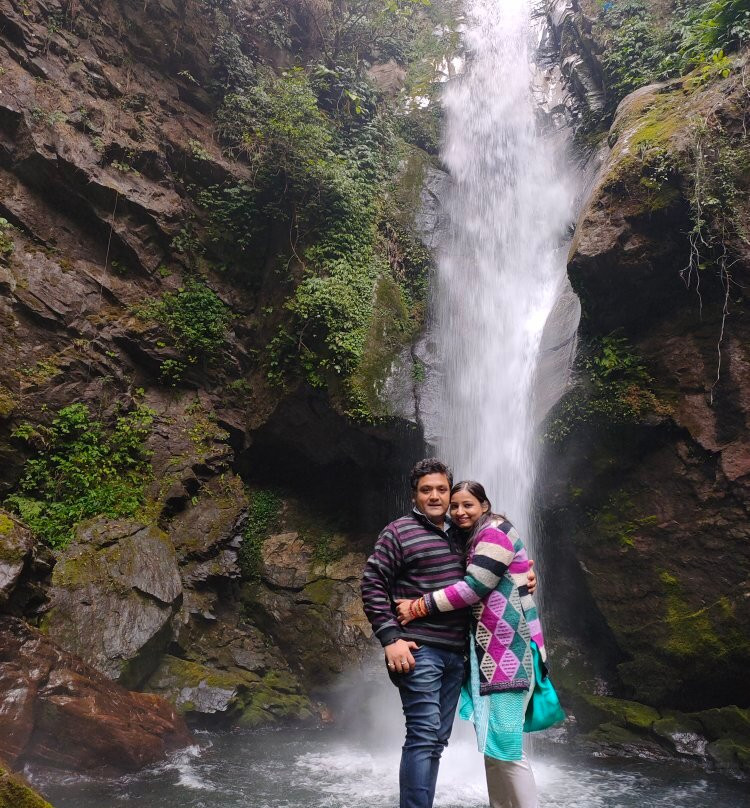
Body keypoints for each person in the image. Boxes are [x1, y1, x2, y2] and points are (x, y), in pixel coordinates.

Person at [360, 459, 537, 808]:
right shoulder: (397, 532)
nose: (436, 496)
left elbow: (497, 566)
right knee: (424, 735)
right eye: (427, 490)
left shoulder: (463, 535)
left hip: (458, 654)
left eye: (442, 489)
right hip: (418, 650)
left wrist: (528, 576)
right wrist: (391, 639)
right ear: (415, 494)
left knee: (436, 740)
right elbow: (372, 584)